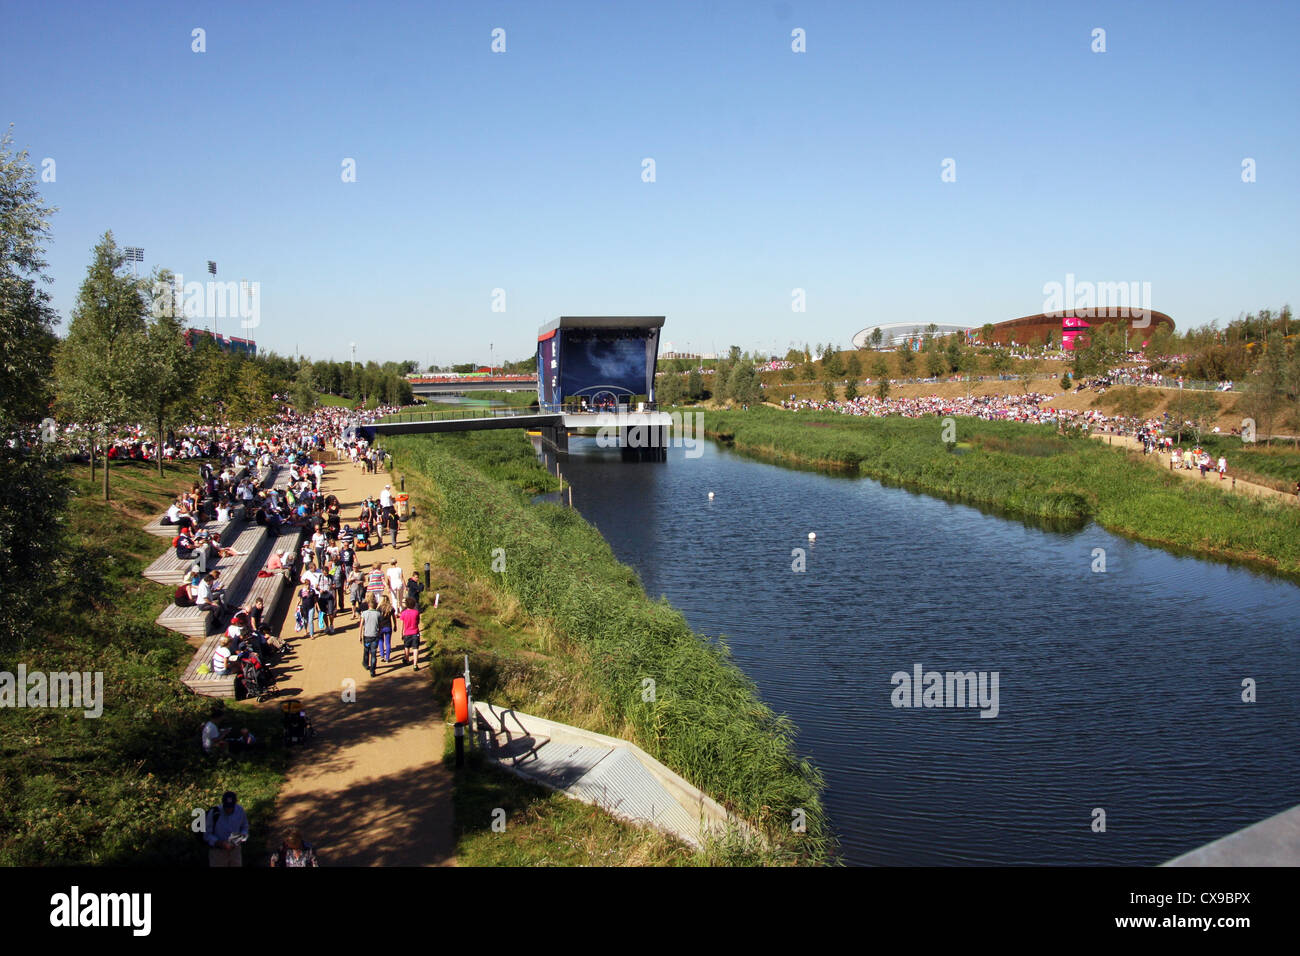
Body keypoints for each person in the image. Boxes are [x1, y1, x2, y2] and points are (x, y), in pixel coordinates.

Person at [206, 791, 249, 867]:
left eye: (231, 807)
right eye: (226, 807)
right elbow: (207, 834)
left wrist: (237, 839)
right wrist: (220, 843)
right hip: (218, 852)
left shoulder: (240, 811)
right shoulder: (214, 813)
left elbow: (245, 828)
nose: (229, 809)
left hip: (235, 850)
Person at [360, 596, 381, 677]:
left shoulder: (364, 613)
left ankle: (365, 663)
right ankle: (372, 670)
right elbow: (380, 625)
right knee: (373, 653)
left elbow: (361, 625)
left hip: (367, 635)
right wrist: (379, 633)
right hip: (375, 636)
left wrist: (360, 636)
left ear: (368, 605)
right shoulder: (378, 614)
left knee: (366, 650)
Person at [399, 594, 422, 671]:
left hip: (407, 633)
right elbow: (418, 621)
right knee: (415, 648)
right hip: (415, 632)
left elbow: (402, 624)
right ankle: (415, 665)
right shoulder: (416, 612)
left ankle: (407, 659)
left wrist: (401, 633)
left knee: (406, 647)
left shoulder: (404, 613)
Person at [377, 594, 395, 664]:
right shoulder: (390, 608)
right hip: (388, 627)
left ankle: (382, 656)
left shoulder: (379, 608)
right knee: (388, 643)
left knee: (381, 641)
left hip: (380, 627)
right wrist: (395, 625)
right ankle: (387, 658)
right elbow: (393, 617)